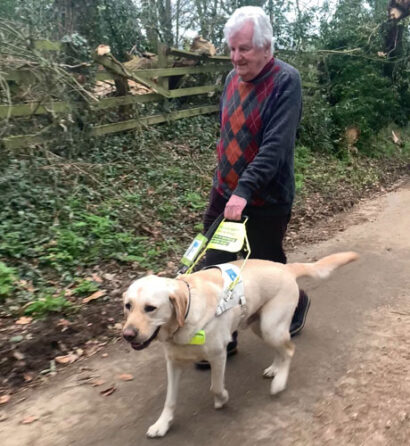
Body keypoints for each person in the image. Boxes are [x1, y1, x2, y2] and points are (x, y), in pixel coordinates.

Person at [195, 6, 310, 369]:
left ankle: (299, 301)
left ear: (265, 47)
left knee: (268, 267)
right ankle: (222, 338)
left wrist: (244, 188)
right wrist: (223, 185)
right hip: (226, 192)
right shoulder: (232, 79)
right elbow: (228, 131)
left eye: (243, 49)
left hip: (266, 197)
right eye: (231, 49)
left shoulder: (285, 81)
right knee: (214, 266)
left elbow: (275, 147)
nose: (235, 57)